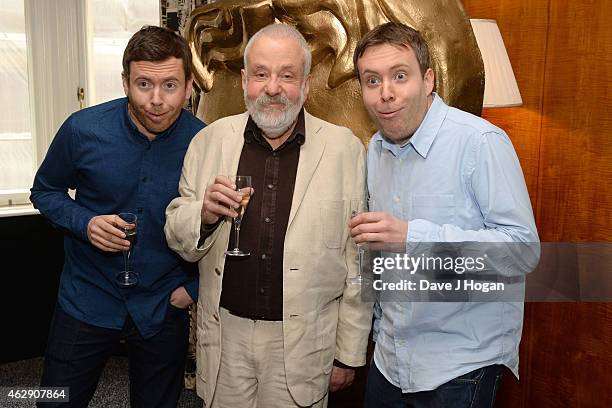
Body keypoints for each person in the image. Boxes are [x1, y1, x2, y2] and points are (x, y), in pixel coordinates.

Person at [164, 23, 372, 408]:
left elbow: (358, 260)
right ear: (245, 81)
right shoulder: (207, 141)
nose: (272, 88)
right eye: (261, 74)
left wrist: (349, 351)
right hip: (226, 338)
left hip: (304, 344)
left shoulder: (345, 150)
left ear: (306, 85)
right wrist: (204, 215)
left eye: (287, 76)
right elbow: (176, 232)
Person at [350, 23, 540, 407]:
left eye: (399, 76)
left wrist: (411, 237)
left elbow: (522, 252)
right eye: (372, 80)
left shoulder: (480, 142)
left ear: (428, 79)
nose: (386, 93)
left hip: (461, 364)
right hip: (390, 356)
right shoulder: (374, 149)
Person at [30, 26, 205, 408]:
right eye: (144, 84)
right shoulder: (82, 129)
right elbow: (44, 191)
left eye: (170, 86)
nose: (156, 100)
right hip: (86, 296)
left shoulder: (206, 143)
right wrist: (85, 223)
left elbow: (218, 226)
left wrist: (191, 291)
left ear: (190, 85)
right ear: (125, 82)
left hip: (163, 303)